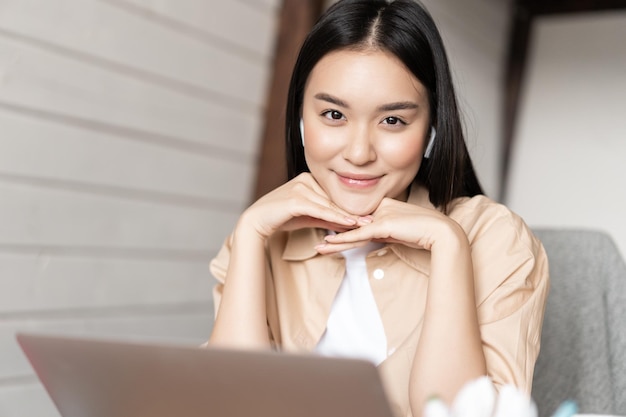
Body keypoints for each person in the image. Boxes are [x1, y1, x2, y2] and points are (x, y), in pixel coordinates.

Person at [207, 1, 549, 416]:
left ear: (431, 131)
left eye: (392, 121)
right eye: (333, 114)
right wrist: (249, 234)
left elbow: (461, 413)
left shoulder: (496, 238)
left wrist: (448, 244)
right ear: (301, 121)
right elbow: (230, 404)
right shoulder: (260, 236)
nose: (358, 152)